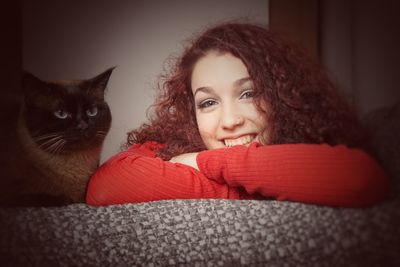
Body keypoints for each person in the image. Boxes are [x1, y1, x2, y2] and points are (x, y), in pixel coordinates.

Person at [86, 22, 389, 207]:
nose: (230, 121)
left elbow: (362, 179)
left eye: (249, 93)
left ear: (284, 97)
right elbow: (105, 186)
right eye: (208, 103)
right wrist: (249, 185)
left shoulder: (313, 141)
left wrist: (207, 162)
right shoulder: (170, 148)